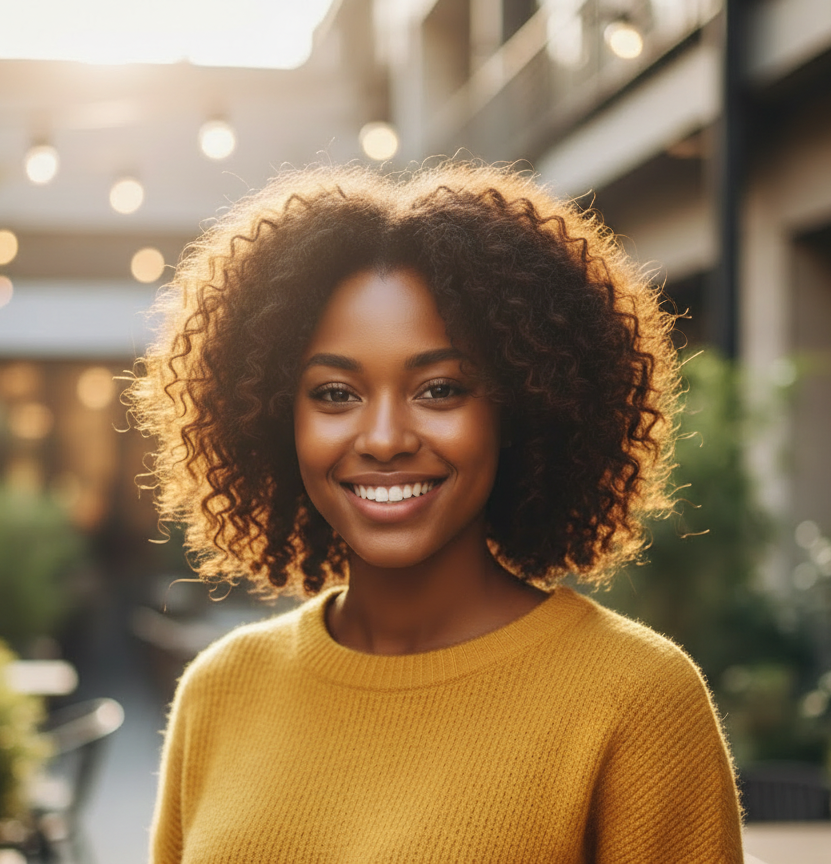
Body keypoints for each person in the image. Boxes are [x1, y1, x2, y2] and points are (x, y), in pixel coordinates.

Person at [132, 161, 744, 863]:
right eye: (335, 394)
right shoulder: (221, 690)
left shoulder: (638, 701)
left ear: (519, 407)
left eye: (441, 389)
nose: (386, 438)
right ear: (276, 419)